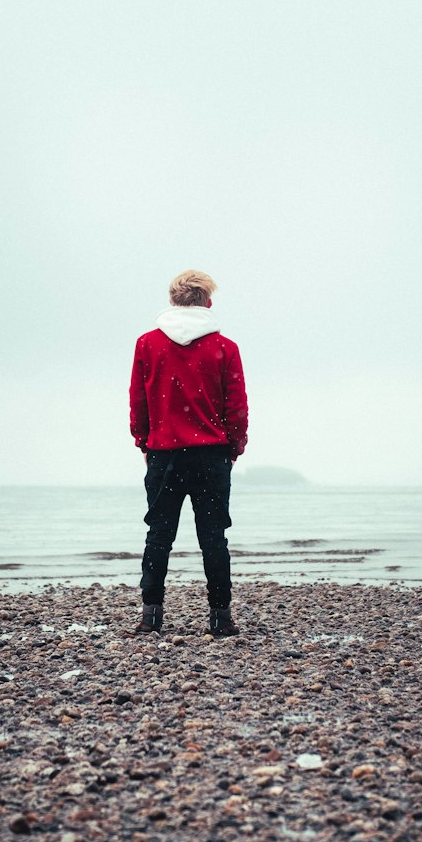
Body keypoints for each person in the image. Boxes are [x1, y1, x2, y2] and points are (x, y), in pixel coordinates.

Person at [129, 269, 248, 637]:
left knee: (159, 535)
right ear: (207, 303)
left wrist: (144, 442)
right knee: (213, 537)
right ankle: (220, 617)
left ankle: (151, 616)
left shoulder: (147, 344)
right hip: (211, 456)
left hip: (165, 455)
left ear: (172, 300)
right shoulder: (224, 348)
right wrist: (234, 446)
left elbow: (139, 401)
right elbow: (237, 406)